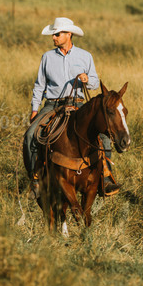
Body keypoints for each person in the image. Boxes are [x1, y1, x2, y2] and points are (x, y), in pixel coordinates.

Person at [23, 17, 121, 197]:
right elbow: (39, 85)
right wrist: (35, 109)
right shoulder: (47, 57)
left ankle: (106, 177)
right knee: (30, 135)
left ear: (69, 35)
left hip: (78, 105)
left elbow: (94, 82)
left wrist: (86, 79)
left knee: (104, 136)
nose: (53, 37)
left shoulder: (85, 56)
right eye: (53, 34)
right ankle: (35, 178)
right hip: (53, 104)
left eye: (57, 34)